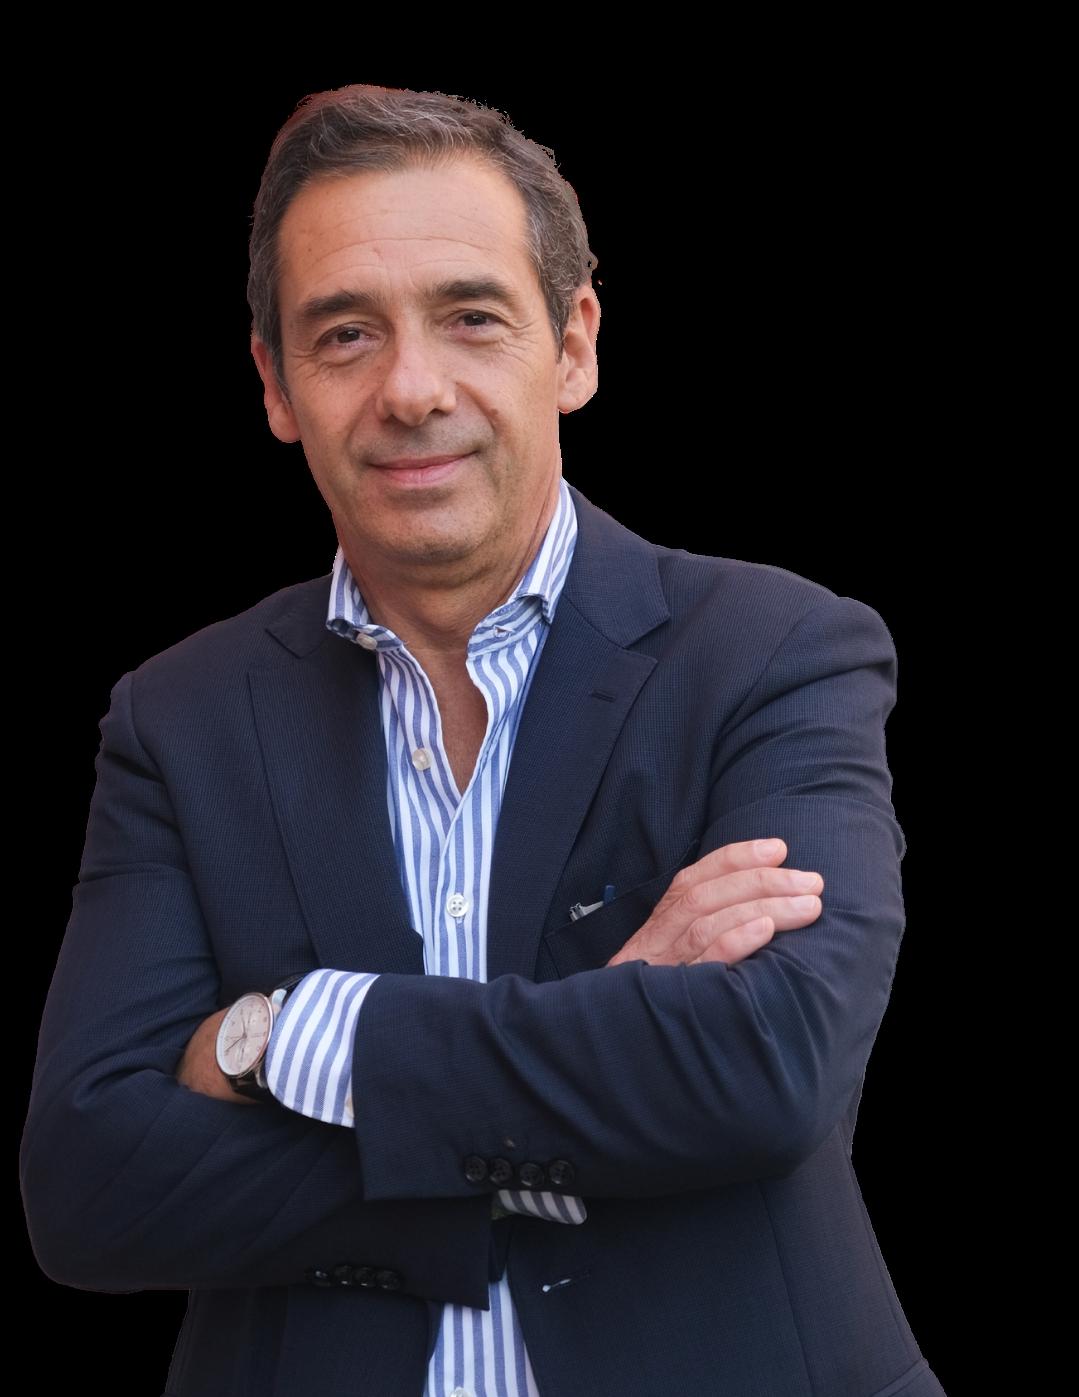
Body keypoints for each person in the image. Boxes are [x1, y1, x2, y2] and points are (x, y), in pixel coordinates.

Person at [21, 83, 946, 1397]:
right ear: (275, 385)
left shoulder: (775, 651)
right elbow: (90, 1185)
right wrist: (598, 1055)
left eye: (470, 317)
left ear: (572, 346)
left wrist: (289, 1036)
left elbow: (767, 1069)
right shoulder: (181, 718)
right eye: (346, 334)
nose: (411, 389)